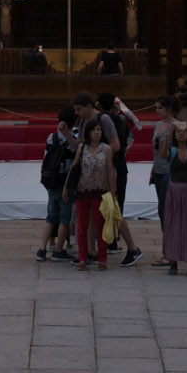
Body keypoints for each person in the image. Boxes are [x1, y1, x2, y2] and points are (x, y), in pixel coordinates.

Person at [160, 103, 187, 275]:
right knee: (173, 226)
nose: (181, 134)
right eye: (179, 131)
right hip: (175, 191)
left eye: (183, 131)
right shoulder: (172, 150)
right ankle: (173, 261)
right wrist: (170, 133)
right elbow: (162, 154)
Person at [72, 102, 115, 269]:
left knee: (100, 226)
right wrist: (67, 188)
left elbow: (110, 172)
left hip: (100, 191)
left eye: (99, 130)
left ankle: (102, 259)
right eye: (94, 130)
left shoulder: (107, 149)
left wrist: (113, 192)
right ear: (88, 132)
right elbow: (74, 168)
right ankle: (83, 258)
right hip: (83, 190)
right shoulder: (82, 148)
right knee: (82, 227)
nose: (97, 132)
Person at [103, 91, 143, 266]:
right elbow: (129, 140)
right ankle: (112, 240)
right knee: (116, 203)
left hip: (111, 164)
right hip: (120, 163)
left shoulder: (102, 121)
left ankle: (114, 242)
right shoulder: (120, 120)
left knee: (112, 204)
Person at [37, 105, 76, 261]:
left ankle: (42, 249)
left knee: (50, 216)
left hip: (50, 181)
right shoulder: (72, 138)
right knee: (65, 218)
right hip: (65, 182)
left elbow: (46, 156)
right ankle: (58, 249)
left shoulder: (50, 137)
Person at [149, 93, 180, 254]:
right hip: (159, 169)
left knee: (165, 210)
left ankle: (170, 248)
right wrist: (153, 169)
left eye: (160, 108)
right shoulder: (158, 125)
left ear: (169, 109)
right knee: (162, 210)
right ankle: (169, 246)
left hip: (170, 170)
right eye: (157, 107)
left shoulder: (177, 126)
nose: (158, 110)